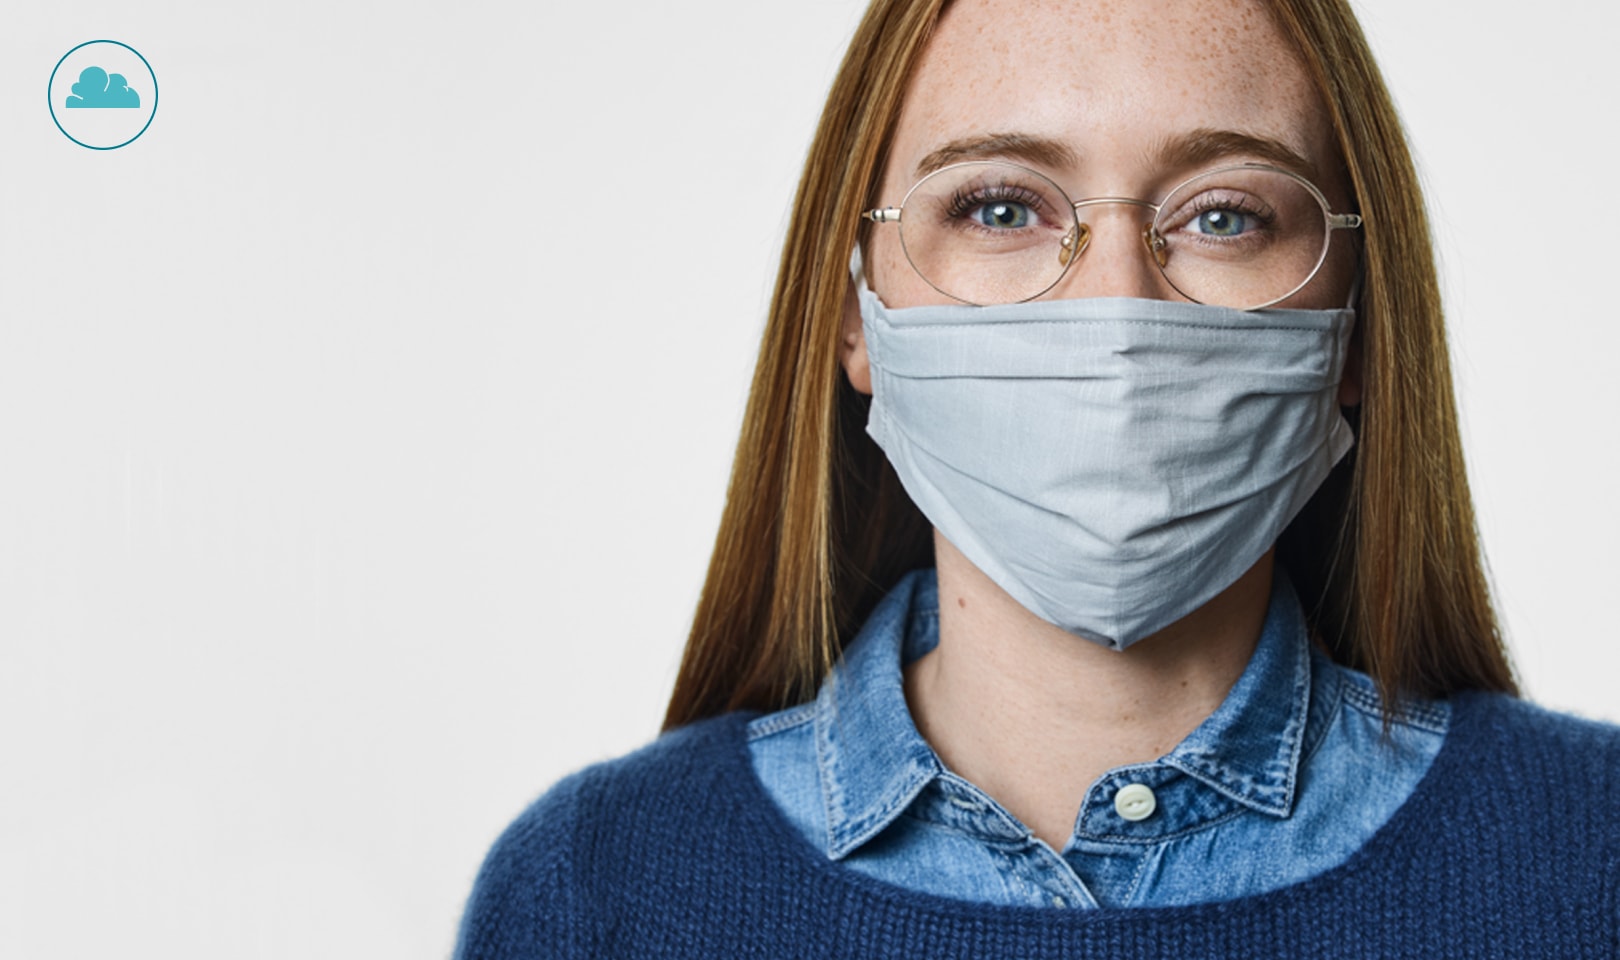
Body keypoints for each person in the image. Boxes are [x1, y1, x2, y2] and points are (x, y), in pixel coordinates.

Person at [454, 0, 1620, 955]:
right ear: (856, 316)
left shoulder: (1592, 862)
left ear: (1355, 329)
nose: (1113, 302)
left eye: (1224, 215)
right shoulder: (596, 892)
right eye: (1000, 206)